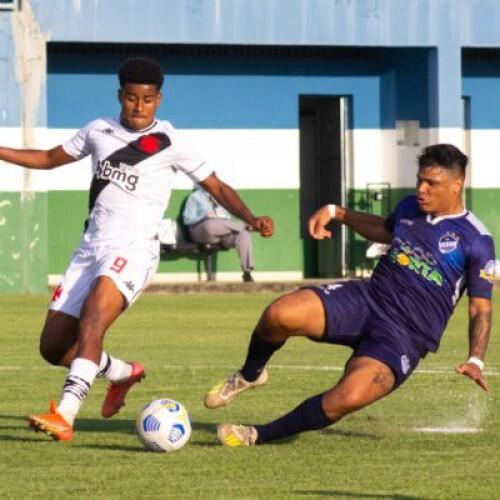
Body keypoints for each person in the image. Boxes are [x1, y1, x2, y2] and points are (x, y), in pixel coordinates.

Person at [0, 57, 273, 442]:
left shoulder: (170, 140)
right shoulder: (98, 130)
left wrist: (250, 217)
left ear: (158, 99)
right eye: (131, 98)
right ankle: (122, 373)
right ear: (120, 95)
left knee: (93, 320)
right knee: (52, 347)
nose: (138, 106)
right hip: (89, 249)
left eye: (146, 99)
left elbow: (216, 186)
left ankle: (65, 414)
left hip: (133, 250)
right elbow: (47, 159)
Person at [204, 143, 495, 447]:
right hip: (367, 299)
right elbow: (383, 230)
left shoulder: (477, 240)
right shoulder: (410, 207)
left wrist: (476, 359)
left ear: (456, 184)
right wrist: (336, 212)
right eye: (420, 179)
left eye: (431, 183)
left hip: (405, 335)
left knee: (346, 397)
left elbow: (480, 309)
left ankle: (256, 434)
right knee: (280, 314)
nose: (421, 189)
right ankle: (250, 375)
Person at [183, 185, 256, 282]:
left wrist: (220, 218)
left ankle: (247, 272)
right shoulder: (195, 197)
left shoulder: (219, 198)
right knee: (210, 224)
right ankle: (242, 226)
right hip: (202, 230)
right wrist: (204, 215)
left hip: (221, 231)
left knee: (243, 234)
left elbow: (227, 219)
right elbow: (187, 219)